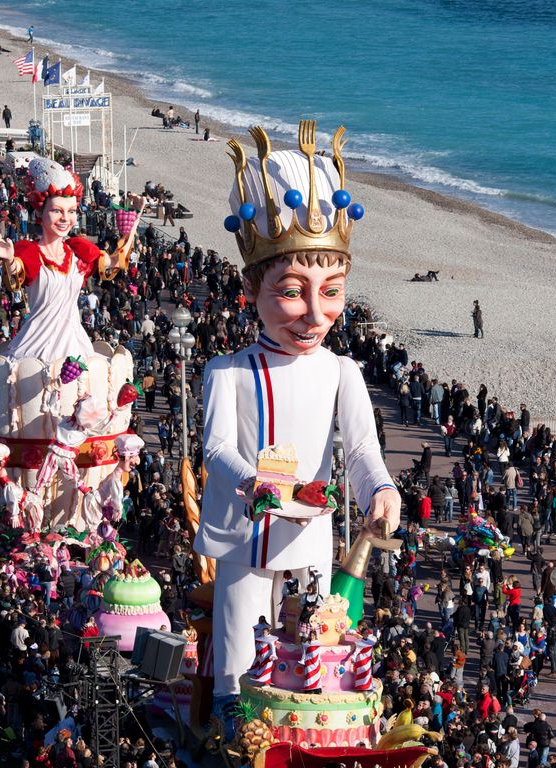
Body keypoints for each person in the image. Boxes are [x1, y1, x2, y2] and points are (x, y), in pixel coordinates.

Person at [196, 121, 400, 701]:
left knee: (307, 664)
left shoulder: (341, 370)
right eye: (291, 291)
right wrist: (257, 484)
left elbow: (361, 451)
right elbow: (216, 450)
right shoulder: (227, 371)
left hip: (310, 540)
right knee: (237, 670)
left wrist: (382, 490)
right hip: (243, 539)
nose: (314, 313)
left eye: (331, 291)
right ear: (250, 289)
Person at [0, 157, 133, 360]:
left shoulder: (78, 251)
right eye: (57, 210)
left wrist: (132, 222)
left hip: (74, 342)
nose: (65, 218)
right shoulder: (31, 252)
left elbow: (117, 260)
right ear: (39, 212)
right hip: (37, 343)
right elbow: (17, 272)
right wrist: (10, 260)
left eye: (71, 211)